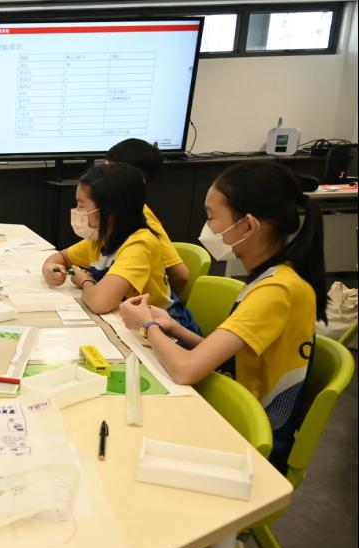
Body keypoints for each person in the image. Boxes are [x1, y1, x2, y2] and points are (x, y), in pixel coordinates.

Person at [119, 161, 325, 471]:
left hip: (247, 444)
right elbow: (233, 357)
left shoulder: (277, 290)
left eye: (211, 217)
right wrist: (172, 326)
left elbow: (186, 370)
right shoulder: (271, 279)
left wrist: (147, 326)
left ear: (248, 226)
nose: (207, 228)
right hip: (232, 415)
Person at [42, 163, 198, 331]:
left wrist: (85, 281)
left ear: (108, 210)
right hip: (130, 324)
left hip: (167, 329)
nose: (76, 211)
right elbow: (61, 257)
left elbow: (100, 302)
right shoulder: (99, 239)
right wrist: (50, 268)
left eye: (81, 205)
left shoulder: (139, 244)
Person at [105, 138, 190, 296]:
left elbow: (181, 275)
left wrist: (164, 303)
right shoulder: (116, 211)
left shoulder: (141, 216)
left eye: (110, 174)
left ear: (137, 181)